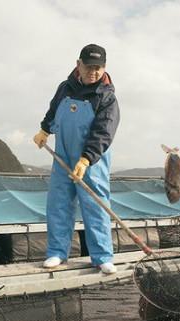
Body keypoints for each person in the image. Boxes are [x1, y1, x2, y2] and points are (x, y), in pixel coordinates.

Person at [33, 44, 120, 274]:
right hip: (62, 156)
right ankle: (56, 252)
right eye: (88, 67)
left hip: (91, 162)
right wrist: (44, 129)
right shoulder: (65, 87)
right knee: (58, 203)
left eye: (98, 68)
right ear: (78, 64)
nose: (93, 72)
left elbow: (104, 132)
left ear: (104, 68)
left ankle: (101, 257)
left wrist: (86, 159)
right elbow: (54, 111)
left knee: (95, 205)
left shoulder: (107, 97)